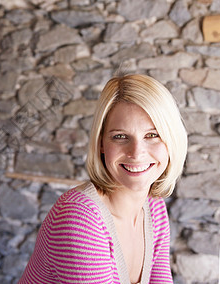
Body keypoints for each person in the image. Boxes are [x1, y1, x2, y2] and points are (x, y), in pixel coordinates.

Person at [18, 74, 188, 284]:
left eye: (152, 135)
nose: (136, 153)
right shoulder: (80, 219)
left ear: (172, 140)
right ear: (101, 144)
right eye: (120, 136)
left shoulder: (154, 208)